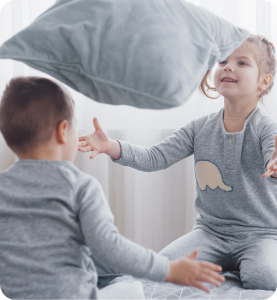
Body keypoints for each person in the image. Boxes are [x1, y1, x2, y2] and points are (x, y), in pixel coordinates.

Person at [78, 34, 277, 291]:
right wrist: (112, 147)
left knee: (264, 278)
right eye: (223, 61)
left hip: (260, 235)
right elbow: (154, 158)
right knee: (162, 270)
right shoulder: (199, 128)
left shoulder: (267, 129)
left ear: (264, 81)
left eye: (242, 63)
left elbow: (273, 159)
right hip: (210, 232)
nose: (228, 66)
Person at [0, 77, 225, 300]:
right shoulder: (80, 186)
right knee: (132, 288)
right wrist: (170, 269)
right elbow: (110, 248)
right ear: (63, 131)